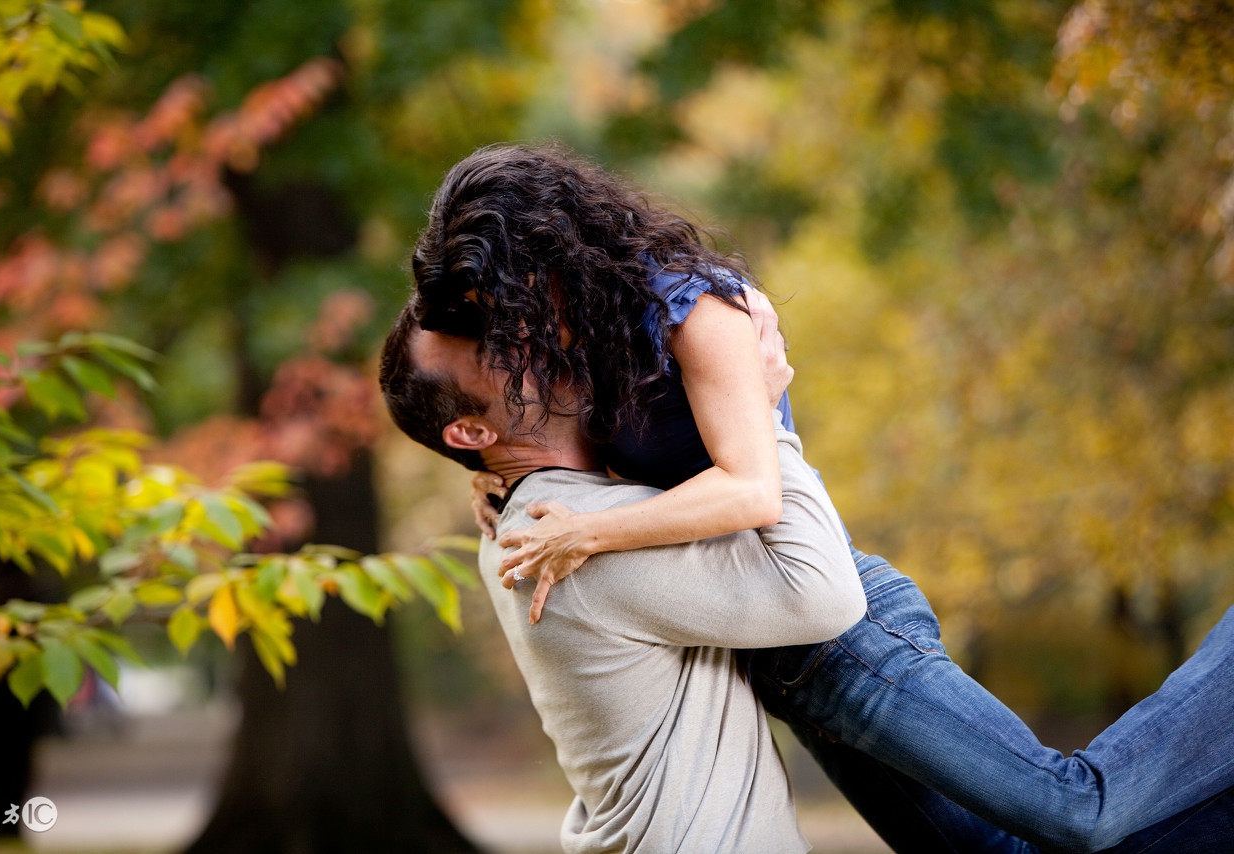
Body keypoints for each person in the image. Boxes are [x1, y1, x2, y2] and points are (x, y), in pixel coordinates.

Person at [407, 142, 1234, 853]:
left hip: (842, 630)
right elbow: (559, 450)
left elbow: (751, 491)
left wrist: (585, 535)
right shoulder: (578, 347)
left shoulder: (697, 313)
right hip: (781, 650)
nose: (510, 332)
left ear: (553, 250)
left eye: (506, 305)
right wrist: (501, 483)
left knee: (1075, 812)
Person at [381, 304, 867, 853]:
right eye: (495, 352)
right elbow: (822, 593)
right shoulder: (571, 540)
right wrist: (756, 414)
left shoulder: (523, 517)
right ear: (471, 431)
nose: (529, 337)